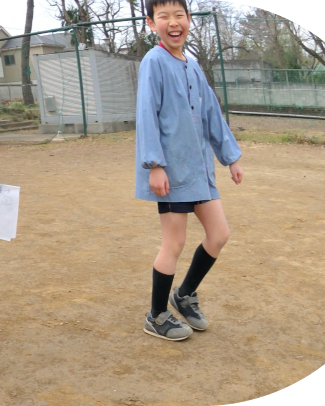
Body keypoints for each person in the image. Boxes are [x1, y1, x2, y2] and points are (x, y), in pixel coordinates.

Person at [136, 0, 244, 341]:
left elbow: (211, 111)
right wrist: (154, 165)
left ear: (188, 20)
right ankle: (156, 315)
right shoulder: (153, 61)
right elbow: (146, 114)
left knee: (219, 234)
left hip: (199, 170)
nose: (173, 22)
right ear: (152, 23)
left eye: (179, 15)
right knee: (175, 242)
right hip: (170, 173)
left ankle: (183, 294)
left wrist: (230, 156)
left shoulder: (193, 63)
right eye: (163, 16)